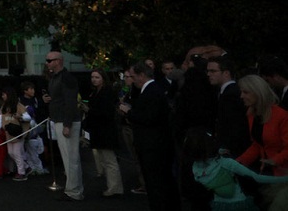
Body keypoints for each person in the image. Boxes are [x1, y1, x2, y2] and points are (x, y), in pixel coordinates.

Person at [184, 126, 288, 211]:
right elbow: (257, 177)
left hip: (218, 206)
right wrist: (284, 179)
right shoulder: (226, 163)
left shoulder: (195, 171)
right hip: (240, 204)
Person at [123, 61, 181, 211]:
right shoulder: (153, 90)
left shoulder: (152, 91)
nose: (132, 79)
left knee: (157, 184)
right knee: (162, 182)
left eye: (133, 76)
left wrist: (128, 112)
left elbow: (149, 118)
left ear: (142, 75)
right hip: (155, 145)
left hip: (153, 147)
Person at [237, 74, 288, 211]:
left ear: (257, 92)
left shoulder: (281, 116)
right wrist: (240, 162)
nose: (241, 96)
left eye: (245, 92)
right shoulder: (252, 114)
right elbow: (257, 144)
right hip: (266, 174)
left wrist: (274, 160)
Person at [45, 51, 84, 201]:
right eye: (47, 60)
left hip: (67, 121)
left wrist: (67, 124)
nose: (47, 63)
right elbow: (61, 99)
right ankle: (74, 189)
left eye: (50, 60)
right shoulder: (55, 78)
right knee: (69, 158)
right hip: (60, 120)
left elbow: (71, 103)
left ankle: (74, 191)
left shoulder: (66, 78)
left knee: (71, 158)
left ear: (58, 61)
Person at [87, 70, 124, 196]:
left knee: (109, 160)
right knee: (105, 159)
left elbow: (106, 112)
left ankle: (115, 187)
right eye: (92, 77)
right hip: (99, 129)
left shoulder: (107, 92)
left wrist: (90, 111)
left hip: (106, 129)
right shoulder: (96, 92)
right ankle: (113, 186)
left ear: (103, 78)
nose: (94, 79)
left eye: (97, 77)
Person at [210, 56, 251, 158]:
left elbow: (233, 125)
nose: (208, 74)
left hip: (233, 151)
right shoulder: (227, 92)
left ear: (226, 73)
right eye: (208, 71)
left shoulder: (231, 94)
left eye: (213, 71)